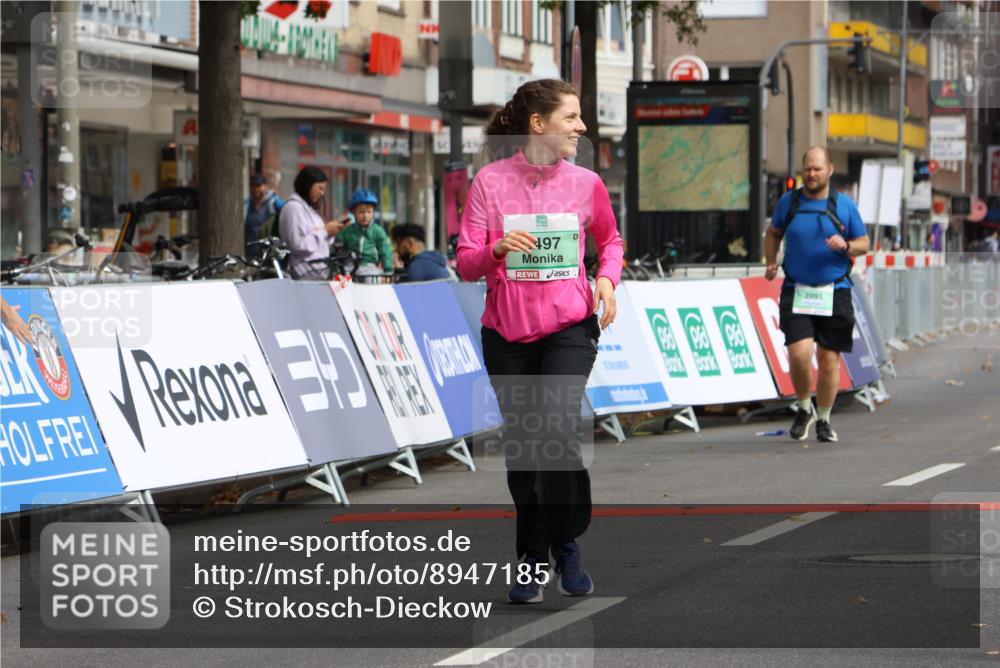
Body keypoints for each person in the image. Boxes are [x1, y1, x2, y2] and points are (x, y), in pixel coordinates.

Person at [457, 79, 622, 604]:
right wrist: (498, 249)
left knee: (554, 427)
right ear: (538, 124)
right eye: (572, 117)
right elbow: (465, 262)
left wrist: (606, 279)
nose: (582, 127)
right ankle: (532, 556)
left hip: (570, 328)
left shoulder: (586, 183)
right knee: (525, 451)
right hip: (507, 334)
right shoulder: (488, 183)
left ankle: (565, 544)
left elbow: (611, 241)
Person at [765, 146, 869, 443]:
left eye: (817, 169)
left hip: (834, 290)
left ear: (830, 170)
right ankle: (803, 406)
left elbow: (863, 243)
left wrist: (846, 246)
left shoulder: (844, 206)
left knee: (828, 359)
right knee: (799, 354)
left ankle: (823, 418)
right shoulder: (790, 202)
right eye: (807, 169)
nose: (811, 174)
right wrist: (771, 261)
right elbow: (773, 233)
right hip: (797, 289)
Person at [278, 166, 342, 279]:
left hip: (317, 273)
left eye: (324, 189)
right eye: (319, 188)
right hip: (303, 274)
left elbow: (318, 239)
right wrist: (325, 231)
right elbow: (298, 244)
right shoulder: (294, 209)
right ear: (307, 185)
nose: (322, 193)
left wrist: (331, 232)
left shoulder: (309, 210)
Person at [336, 189, 393, 273]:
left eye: (369, 212)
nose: (365, 215)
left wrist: (388, 270)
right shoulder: (347, 231)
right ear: (354, 212)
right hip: (350, 266)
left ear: (373, 213)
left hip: (370, 267)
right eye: (361, 212)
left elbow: (385, 251)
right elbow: (337, 247)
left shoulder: (378, 231)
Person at [244, 174, 285, 246]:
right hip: (249, 250)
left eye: (258, 186)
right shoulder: (246, 205)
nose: (255, 189)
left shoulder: (274, 203)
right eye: (253, 186)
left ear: (266, 186)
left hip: (269, 249)